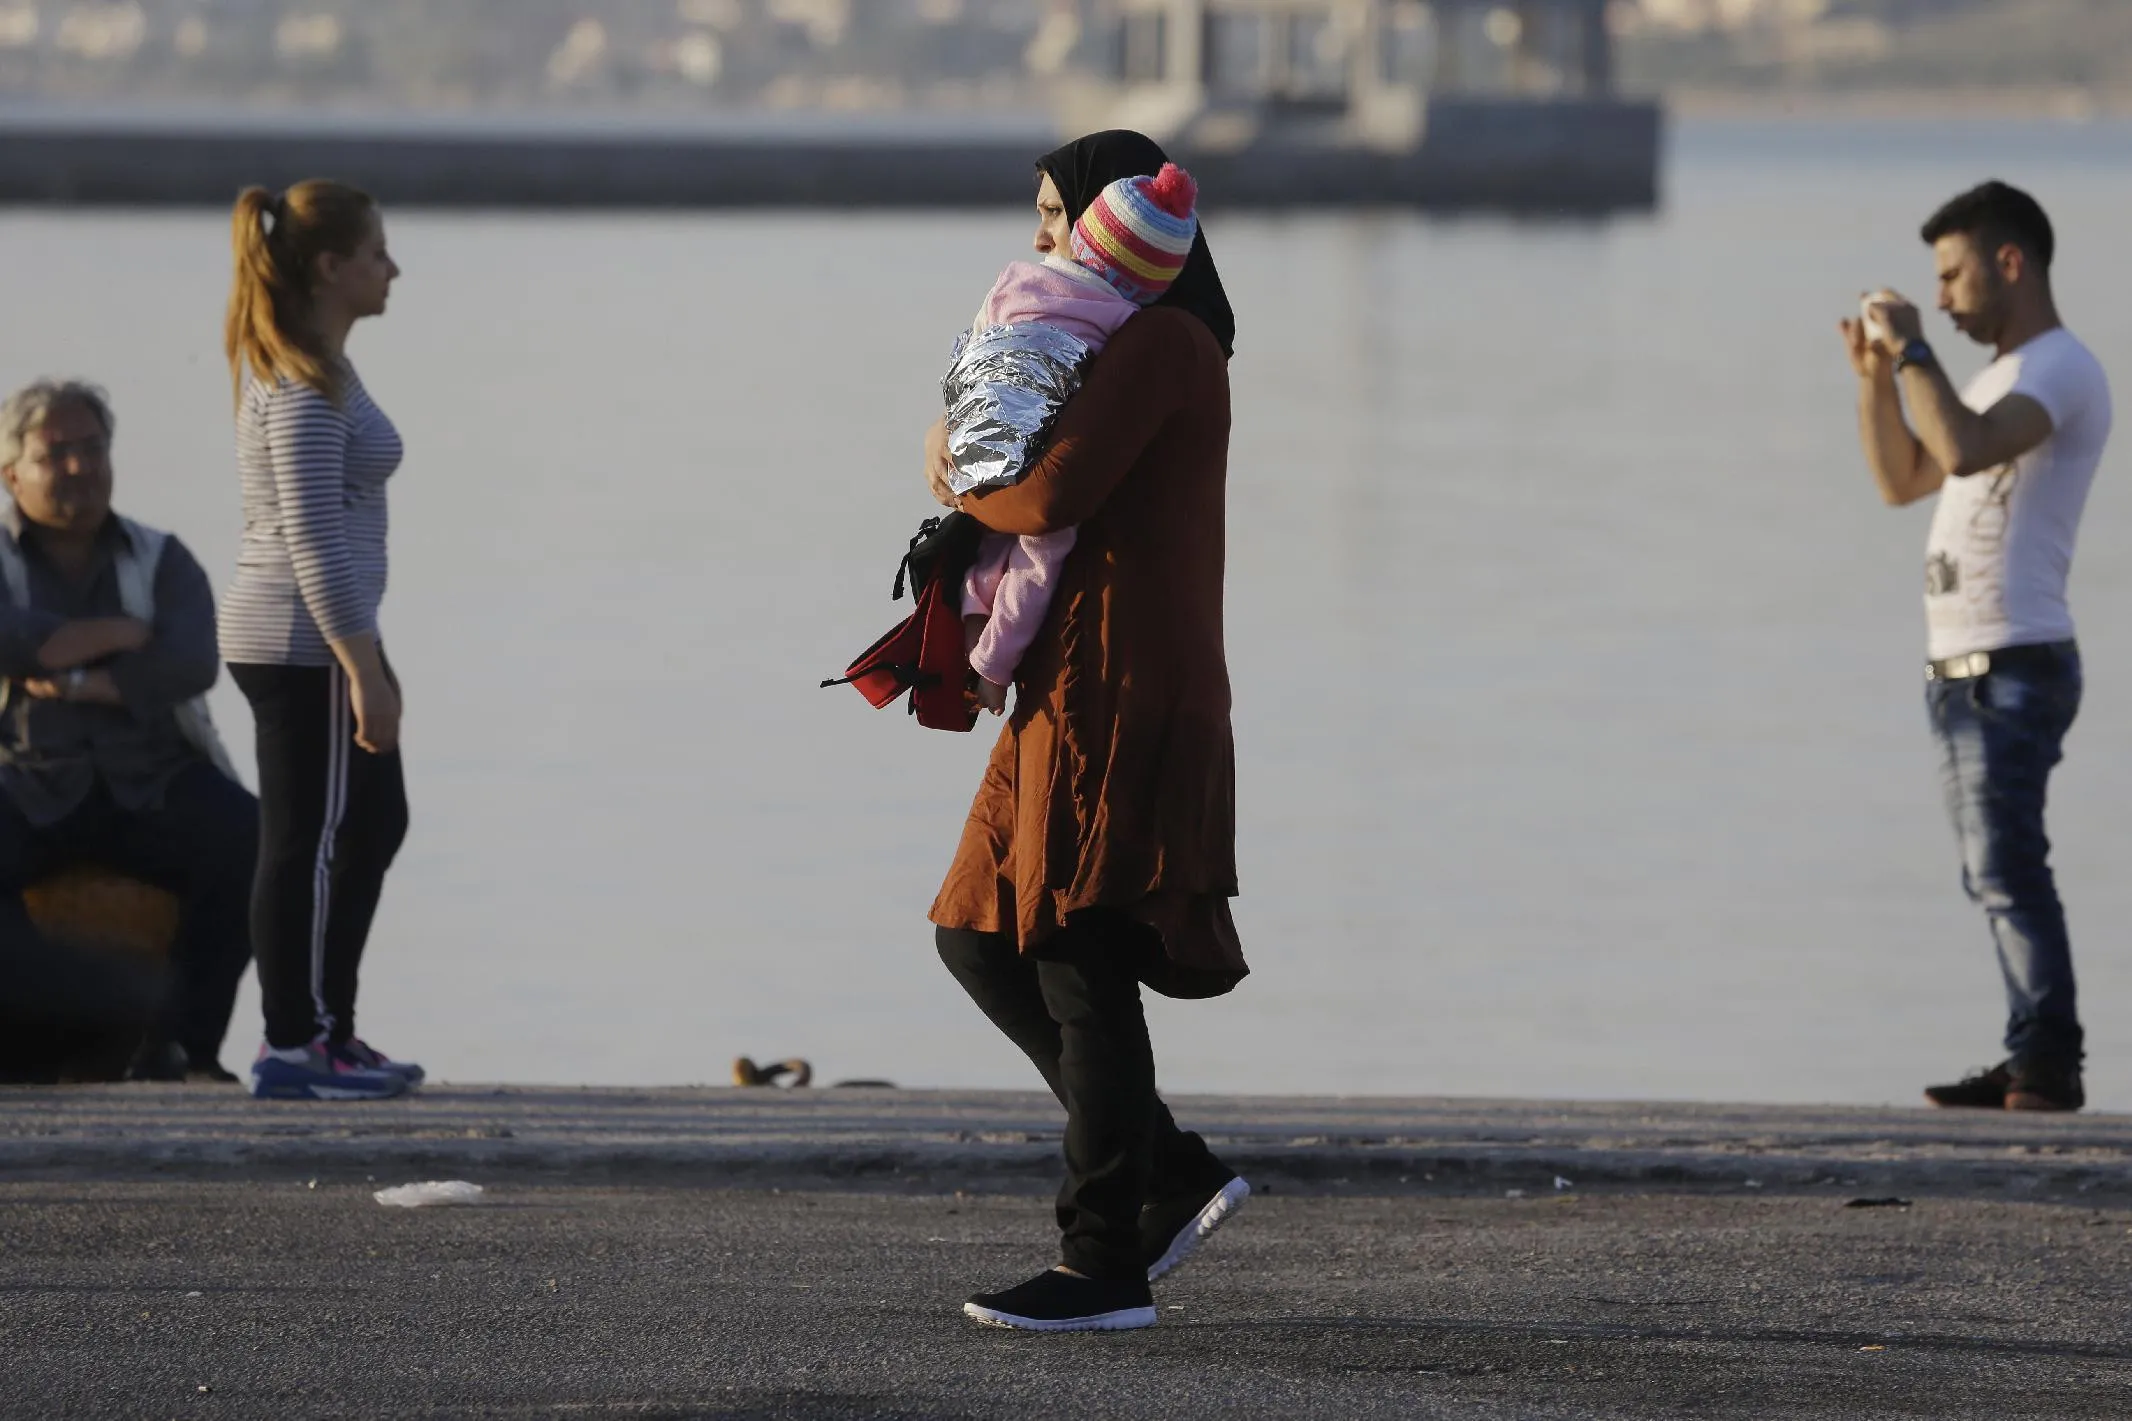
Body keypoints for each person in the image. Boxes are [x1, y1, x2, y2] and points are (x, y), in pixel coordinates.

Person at [921, 131, 1250, 1333]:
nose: (1040, 238)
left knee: (1076, 955)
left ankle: (1100, 1259)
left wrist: (948, 470)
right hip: (1065, 683)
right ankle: (1170, 1169)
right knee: (977, 932)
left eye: (1056, 214)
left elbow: (1049, 491)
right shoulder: (1114, 343)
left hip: (1122, 688)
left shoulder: (1163, 345)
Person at [1840, 180, 2112, 1113]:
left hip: (2015, 661)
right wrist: (1877, 377)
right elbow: (1903, 477)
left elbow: (1959, 450)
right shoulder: (1994, 380)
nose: (1943, 296)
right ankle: (2031, 1046)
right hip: (1963, 671)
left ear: (2011, 262)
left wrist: (1916, 349)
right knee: (1991, 868)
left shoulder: (2061, 369)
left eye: (1953, 275)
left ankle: (2048, 1062)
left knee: (2006, 864)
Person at [221, 179, 424, 1101]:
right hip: (302, 639)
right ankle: (293, 1045)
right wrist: (362, 669)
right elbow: (312, 541)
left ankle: (331, 1031)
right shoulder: (301, 385)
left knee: (372, 822)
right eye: (377, 253)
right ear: (330, 265)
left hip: (325, 634)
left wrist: (367, 657)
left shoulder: (322, 367)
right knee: (306, 838)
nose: (393, 269)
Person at [0, 379, 256, 1083]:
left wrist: (71, 676)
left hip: (148, 781)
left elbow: (192, 660)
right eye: (56, 453)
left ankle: (184, 1049)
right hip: (25, 778)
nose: (79, 466)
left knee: (251, 838)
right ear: (11, 473)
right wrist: (115, 634)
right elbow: (10, 639)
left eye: (92, 448)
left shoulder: (159, 557)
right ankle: (27, 1045)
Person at [956, 161, 1204, 715]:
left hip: (983, 432)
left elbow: (975, 344)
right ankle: (993, 664)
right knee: (1040, 553)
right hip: (1044, 447)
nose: (1040, 237)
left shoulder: (1013, 279)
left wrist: (952, 432)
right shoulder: (1130, 324)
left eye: (1053, 214)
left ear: (1086, 231)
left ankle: (973, 611)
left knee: (995, 533)